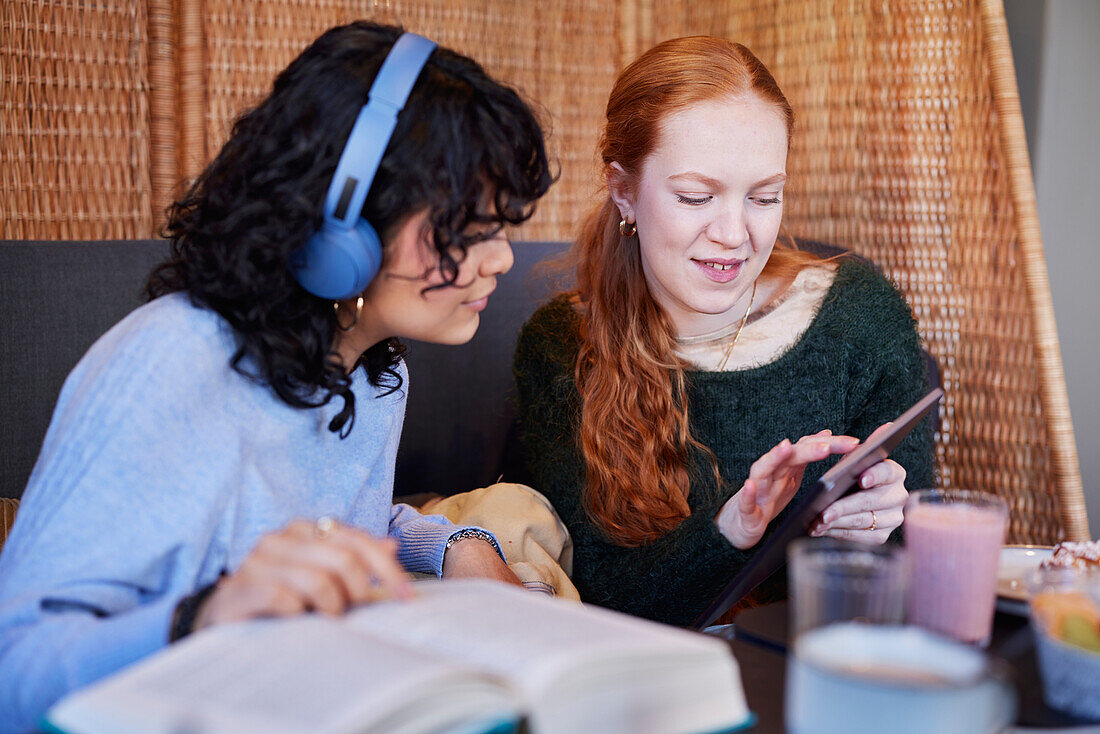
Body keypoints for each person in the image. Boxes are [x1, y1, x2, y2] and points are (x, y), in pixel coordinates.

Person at [0, 21, 553, 730]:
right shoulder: (169, 361)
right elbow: (14, 667)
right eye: (469, 230)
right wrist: (206, 616)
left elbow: (327, 526)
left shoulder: (374, 373)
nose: (501, 260)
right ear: (342, 227)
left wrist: (455, 546)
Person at [513, 36, 934, 627]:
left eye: (765, 197)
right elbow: (597, 597)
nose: (735, 234)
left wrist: (878, 536)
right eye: (696, 196)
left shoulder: (857, 318)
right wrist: (733, 530)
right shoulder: (562, 345)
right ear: (624, 191)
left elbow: (918, 582)